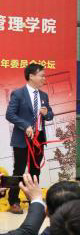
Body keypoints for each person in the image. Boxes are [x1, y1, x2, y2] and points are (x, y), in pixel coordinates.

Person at [6, 63, 54, 214]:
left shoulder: (44, 95)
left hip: (38, 139)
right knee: (19, 170)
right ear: (31, 76)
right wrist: (25, 125)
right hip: (22, 139)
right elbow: (10, 114)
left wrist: (46, 113)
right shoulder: (18, 93)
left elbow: (50, 115)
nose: (44, 78)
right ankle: (14, 201)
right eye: (41, 75)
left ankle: (35, 201)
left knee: (35, 171)